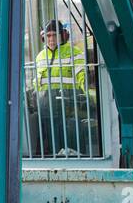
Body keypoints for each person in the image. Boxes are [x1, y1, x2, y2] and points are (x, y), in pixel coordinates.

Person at [30, 19, 92, 156]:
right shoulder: (40, 56)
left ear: (63, 36)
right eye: (48, 35)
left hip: (68, 108)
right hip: (46, 110)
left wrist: (90, 94)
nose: (51, 39)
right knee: (53, 148)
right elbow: (37, 83)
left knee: (70, 146)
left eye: (54, 35)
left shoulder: (74, 52)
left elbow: (82, 76)